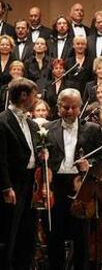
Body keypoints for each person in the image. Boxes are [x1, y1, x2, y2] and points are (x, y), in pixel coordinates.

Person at [44, 88, 102, 270]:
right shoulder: (47, 128)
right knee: (54, 237)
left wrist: (90, 165)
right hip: (56, 187)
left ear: (80, 108)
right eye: (65, 107)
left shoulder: (93, 129)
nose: (69, 111)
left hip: (81, 187)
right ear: (58, 107)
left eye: (73, 107)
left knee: (81, 240)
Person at [0, 78, 39, 270]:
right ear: (23, 96)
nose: (37, 98)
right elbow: (1, 158)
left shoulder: (31, 123)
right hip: (13, 185)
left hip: (31, 184)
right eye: (34, 94)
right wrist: (6, 187)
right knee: (10, 234)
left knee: (28, 233)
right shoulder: (3, 120)